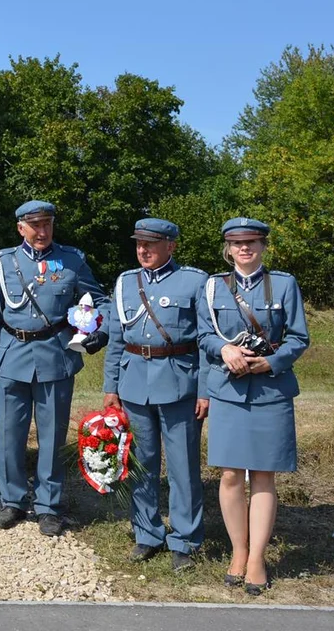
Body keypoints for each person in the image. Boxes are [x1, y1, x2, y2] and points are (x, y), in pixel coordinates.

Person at [197, 217, 309, 595]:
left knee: (263, 475)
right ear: (228, 248)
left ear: (263, 246)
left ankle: (258, 557)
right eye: (237, 243)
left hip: (270, 391)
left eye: (252, 242)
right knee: (230, 475)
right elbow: (203, 334)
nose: (244, 248)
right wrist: (224, 348)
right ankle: (238, 551)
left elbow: (298, 337)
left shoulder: (284, 284)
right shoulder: (213, 287)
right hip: (229, 390)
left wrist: (271, 362)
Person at [0, 200, 109, 536]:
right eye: (35, 225)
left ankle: (49, 505)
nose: (42, 232)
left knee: (53, 436)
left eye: (47, 225)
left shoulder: (72, 259)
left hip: (56, 356)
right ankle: (11, 500)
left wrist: (99, 331)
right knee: (9, 434)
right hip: (13, 355)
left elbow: (98, 301)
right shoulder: (3, 261)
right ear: (21, 228)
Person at [102, 218, 208, 571]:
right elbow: (117, 337)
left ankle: (184, 539)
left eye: (151, 243)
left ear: (171, 246)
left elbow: (206, 343)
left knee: (183, 467)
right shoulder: (125, 283)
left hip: (179, 383)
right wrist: (110, 386)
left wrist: (204, 391)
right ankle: (147, 533)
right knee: (141, 465)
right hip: (134, 384)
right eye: (139, 244)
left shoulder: (194, 281)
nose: (143, 250)